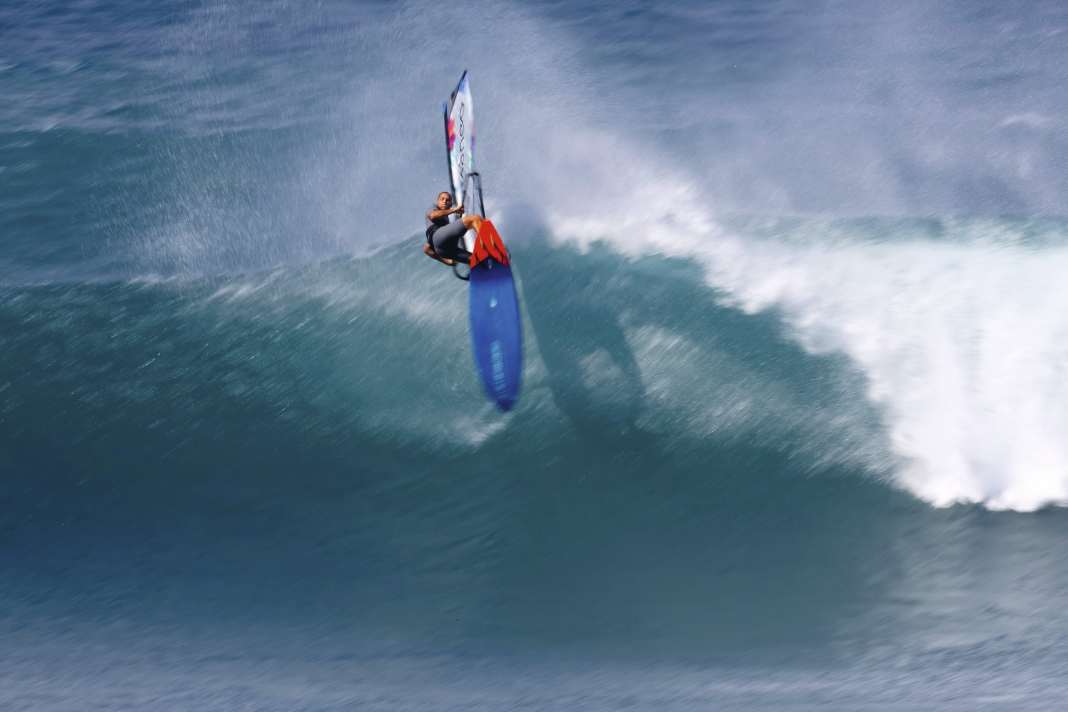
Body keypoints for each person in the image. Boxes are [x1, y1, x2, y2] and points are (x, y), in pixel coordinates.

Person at [424, 191, 483, 266]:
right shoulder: (433, 208)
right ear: (437, 201)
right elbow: (433, 215)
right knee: (475, 219)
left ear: (450, 204)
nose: (444, 201)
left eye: (447, 200)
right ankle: (490, 249)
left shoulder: (445, 221)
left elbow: (426, 249)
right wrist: (454, 210)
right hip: (438, 238)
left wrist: (447, 262)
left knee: (478, 260)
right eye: (442, 199)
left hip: (446, 250)